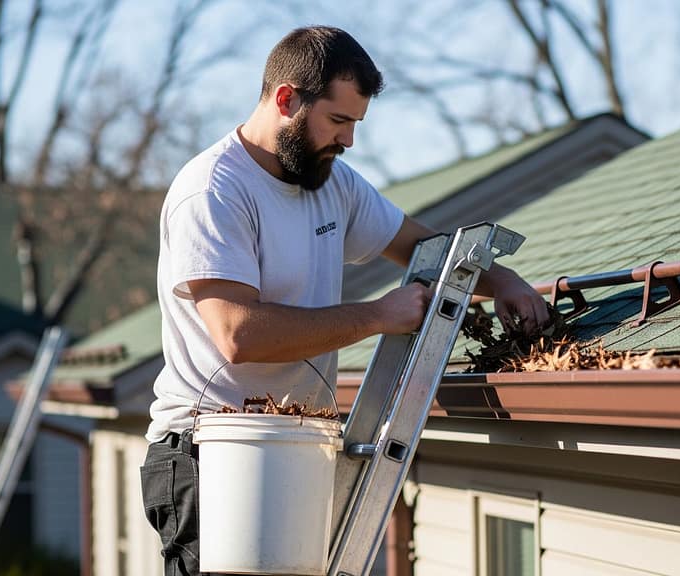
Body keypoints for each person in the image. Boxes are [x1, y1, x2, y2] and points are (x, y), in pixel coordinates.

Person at [140, 25, 548, 576]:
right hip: (210, 451)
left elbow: (421, 248)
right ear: (286, 99)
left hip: (291, 447)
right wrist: (379, 316)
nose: (349, 140)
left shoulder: (333, 184)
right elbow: (238, 335)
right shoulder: (213, 191)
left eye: (355, 124)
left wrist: (505, 281)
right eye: (338, 121)